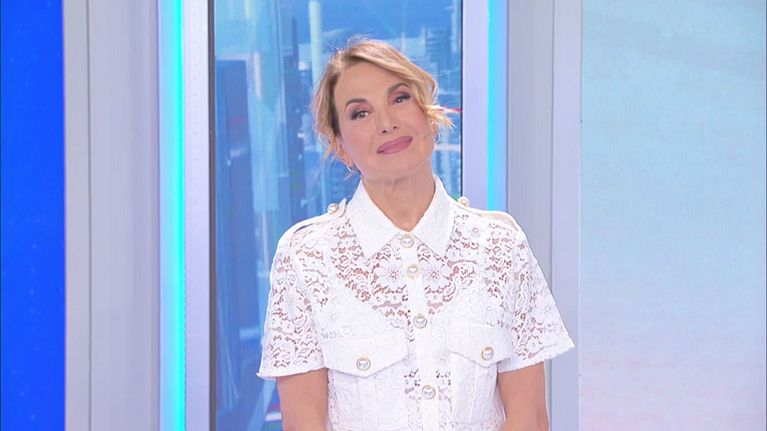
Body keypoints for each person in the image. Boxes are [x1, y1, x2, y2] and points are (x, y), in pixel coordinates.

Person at [258, 38, 574, 431]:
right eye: (360, 113)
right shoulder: (306, 258)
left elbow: (530, 418)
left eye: (400, 98)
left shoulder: (500, 245)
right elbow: (302, 424)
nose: (386, 123)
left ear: (428, 115)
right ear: (341, 147)